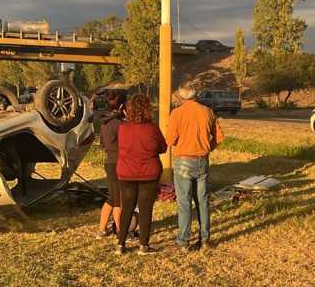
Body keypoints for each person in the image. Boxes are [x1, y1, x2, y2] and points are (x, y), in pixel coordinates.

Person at [166, 87, 224, 251]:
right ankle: (205, 239)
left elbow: (170, 140)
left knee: (184, 203)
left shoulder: (177, 113)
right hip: (202, 160)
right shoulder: (208, 111)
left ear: (180, 98)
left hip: (183, 160)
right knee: (203, 200)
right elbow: (219, 137)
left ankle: (183, 241)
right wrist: (207, 148)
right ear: (196, 96)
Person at [114, 94, 167, 255]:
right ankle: (143, 245)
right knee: (145, 209)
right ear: (148, 109)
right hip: (149, 173)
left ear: (128, 110)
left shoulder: (122, 128)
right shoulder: (153, 128)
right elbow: (163, 148)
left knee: (127, 208)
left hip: (126, 172)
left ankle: (120, 243)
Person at [96, 90, 126, 238]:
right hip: (118, 162)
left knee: (112, 197)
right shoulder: (120, 124)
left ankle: (102, 229)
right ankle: (121, 232)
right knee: (118, 200)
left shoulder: (104, 122)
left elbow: (102, 143)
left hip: (109, 161)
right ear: (121, 106)